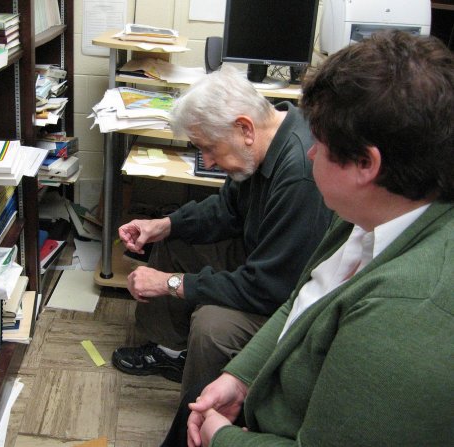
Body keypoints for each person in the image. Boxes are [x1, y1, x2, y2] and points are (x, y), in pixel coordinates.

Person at [162, 30, 454, 447]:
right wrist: (241, 376)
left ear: (365, 164)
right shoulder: (364, 216)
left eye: (320, 143)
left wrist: (224, 438)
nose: (310, 153)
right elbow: (300, 302)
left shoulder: (407, 311)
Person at [112, 65, 332, 397]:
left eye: (209, 148)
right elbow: (227, 209)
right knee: (176, 238)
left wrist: (170, 283)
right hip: (261, 260)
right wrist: (164, 225)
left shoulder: (300, 172)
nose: (209, 162)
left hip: (286, 297)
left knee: (212, 326)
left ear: (244, 128)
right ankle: (170, 353)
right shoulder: (261, 142)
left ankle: (198, 421)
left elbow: (269, 288)